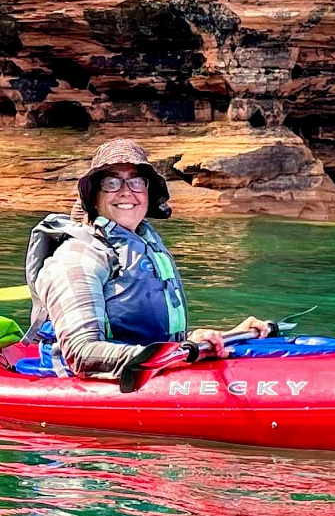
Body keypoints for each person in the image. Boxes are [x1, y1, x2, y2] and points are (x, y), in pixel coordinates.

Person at [25, 138, 271, 380]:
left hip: (153, 367)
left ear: (147, 192)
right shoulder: (77, 257)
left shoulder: (144, 246)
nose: (126, 192)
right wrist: (176, 355)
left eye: (136, 182)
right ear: (94, 197)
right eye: (111, 183)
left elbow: (156, 341)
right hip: (83, 386)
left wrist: (224, 337)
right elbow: (82, 355)